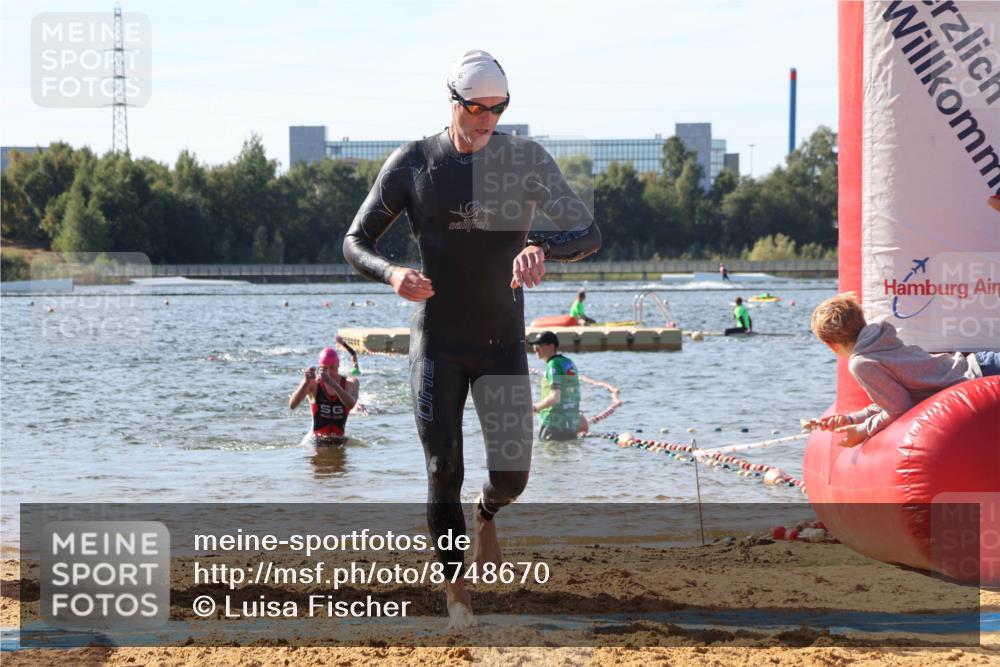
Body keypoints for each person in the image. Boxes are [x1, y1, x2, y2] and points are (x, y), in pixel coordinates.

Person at [342, 49, 601, 628]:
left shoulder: (523, 159)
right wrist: (392, 273)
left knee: (512, 477)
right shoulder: (414, 163)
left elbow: (588, 233)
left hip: (501, 343)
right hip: (438, 343)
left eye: (498, 108)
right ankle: (456, 592)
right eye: (477, 107)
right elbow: (355, 241)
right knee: (443, 467)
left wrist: (541, 247)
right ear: (453, 100)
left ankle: (486, 515)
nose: (487, 119)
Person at [807, 293, 999, 446]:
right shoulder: (878, 339)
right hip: (982, 366)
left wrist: (862, 430)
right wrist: (850, 419)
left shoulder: (861, 362)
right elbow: (893, 400)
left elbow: (898, 408)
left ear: (831, 345)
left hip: (979, 376)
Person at [288, 347, 359, 443]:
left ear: (338, 365)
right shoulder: (313, 383)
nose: (328, 372)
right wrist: (305, 383)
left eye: (332, 367)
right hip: (316, 440)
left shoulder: (350, 383)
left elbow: (351, 405)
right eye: (324, 368)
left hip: (339, 439)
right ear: (320, 368)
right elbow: (292, 405)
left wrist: (333, 384)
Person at [529, 331, 588, 440]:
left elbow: (555, 397)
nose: (535, 349)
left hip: (553, 425)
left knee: (549, 450)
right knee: (565, 451)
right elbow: (572, 392)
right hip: (571, 424)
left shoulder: (553, 365)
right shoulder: (568, 363)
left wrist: (534, 409)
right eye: (534, 345)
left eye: (539, 345)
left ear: (551, 346)